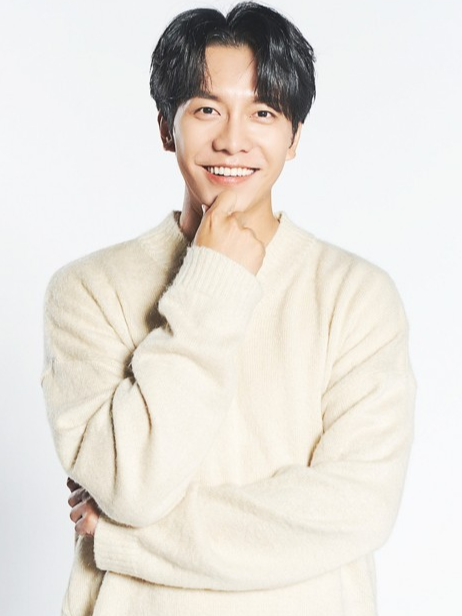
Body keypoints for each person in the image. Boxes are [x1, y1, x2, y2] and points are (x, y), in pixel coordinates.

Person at [41, 2, 416, 615]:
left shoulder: (356, 295)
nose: (233, 139)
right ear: (167, 127)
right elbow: (132, 485)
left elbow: (356, 507)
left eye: (263, 112)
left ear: (294, 137)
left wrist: (123, 537)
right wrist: (212, 281)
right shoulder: (87, 291)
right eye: (207, 109)